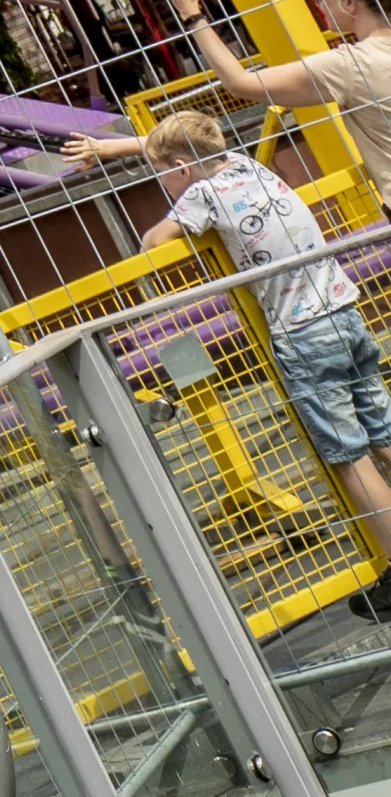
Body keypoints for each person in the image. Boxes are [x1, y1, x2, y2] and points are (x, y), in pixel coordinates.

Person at [62, 107, 391, 603]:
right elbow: (184, 147)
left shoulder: (200, 193)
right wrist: (115, 148)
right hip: (344, 311)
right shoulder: (245, 165)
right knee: (382, 431)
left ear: (180, 171)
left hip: (302, 333)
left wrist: (168, 214)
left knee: (348, 455)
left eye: (163, 176)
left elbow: (155, 242)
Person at [132, 0, 391, 192]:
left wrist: (191, 14)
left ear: (349, 1)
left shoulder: (351, 65)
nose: (319, 3)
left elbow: (240, 84)